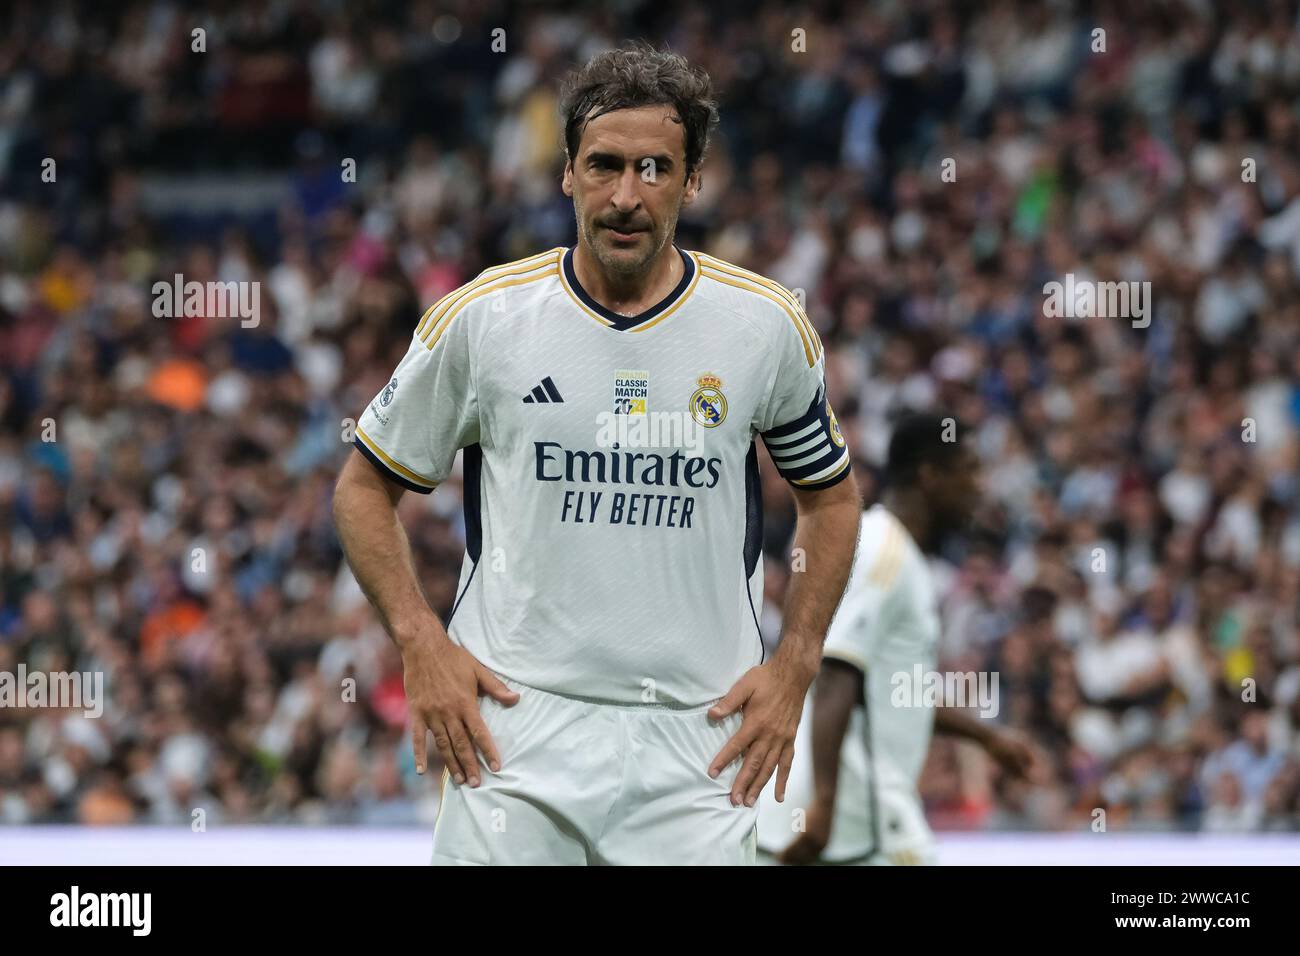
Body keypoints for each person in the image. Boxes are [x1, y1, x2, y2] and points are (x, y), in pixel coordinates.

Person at [332, 44, 860, 865]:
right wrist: (418, 641)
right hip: (513, 732)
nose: (625, 195)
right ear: (566, 175)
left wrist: (794, 667)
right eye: (603, 165)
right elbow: (363, 487)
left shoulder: (763, 326)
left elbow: (831, 499)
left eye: (654, 169)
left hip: (702, 743)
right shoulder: (484, 320)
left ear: (692, 182)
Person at [757, 414, 1037, 865]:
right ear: (930, 475)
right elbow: (834, 672)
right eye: (968, 470)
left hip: (857, 811)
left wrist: (986, 737)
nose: (979, 487)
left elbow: (892, 692)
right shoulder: (881, 550)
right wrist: (824, 803)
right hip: (854, 810)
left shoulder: (901, 557)